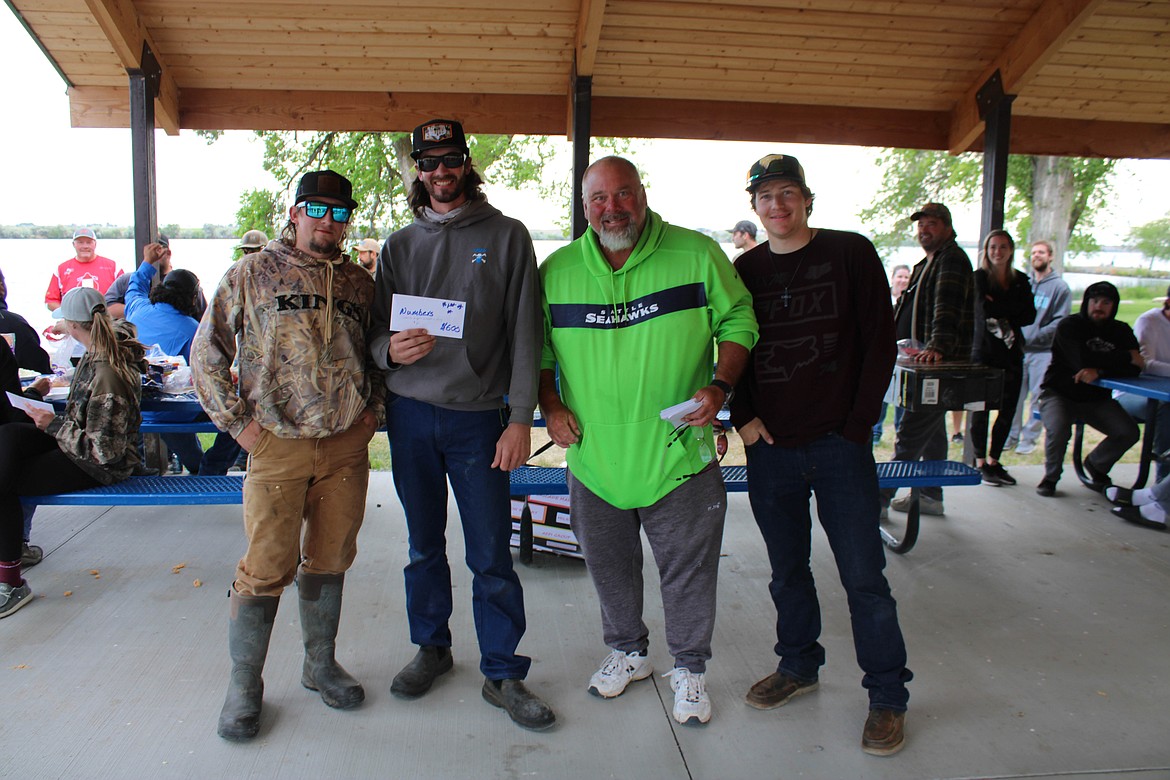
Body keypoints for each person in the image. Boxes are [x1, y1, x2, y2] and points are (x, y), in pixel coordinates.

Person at [539, 155, 758, 726]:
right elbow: (538, 353)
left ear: (642, 194)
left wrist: (719, 385)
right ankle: (628, 652)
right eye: (598, 199)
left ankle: (690, 669)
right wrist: (551, 405)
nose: (612, 207)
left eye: (623, 194)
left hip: (677, 454)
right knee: (609, 567)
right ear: (585, 206)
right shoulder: (557, 270)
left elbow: (738, 320)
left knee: (687, 570)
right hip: (596, 458)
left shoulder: (696, 252)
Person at [368, 119, 555, 732]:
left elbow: (527, 334)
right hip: (411, 415)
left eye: (450, 160)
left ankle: (502, 672)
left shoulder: (506, 236)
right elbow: (371, 335)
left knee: (490, 554)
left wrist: (521, 418)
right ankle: (433, 648)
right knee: (423, 546)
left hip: (480, 419)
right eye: (428, 162)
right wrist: (388, 353)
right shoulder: (397, 246)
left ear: (466, 165)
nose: (439, 171)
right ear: (416, 170)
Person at [729, 152, 910, 756]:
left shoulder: (851, 252)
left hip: (840, 446)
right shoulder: (745, 269)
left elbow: (881, 342)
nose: (776, 205)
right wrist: (743, 417)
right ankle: (798, 666)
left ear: (807, 198)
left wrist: (859, 426)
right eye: (764, 196)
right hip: (771, 448)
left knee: (865, 577)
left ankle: (887, 697)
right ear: (753, 206)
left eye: (786, 193)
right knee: (787, 572)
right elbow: (732, 345)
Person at [192, 169, 383, 740]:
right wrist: (238, 426)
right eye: (317, 209)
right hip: (275, 445)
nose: (329, 221)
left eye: (340, 213)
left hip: (346, 447)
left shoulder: (360, 283)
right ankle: (245, 683)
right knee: (265, 566)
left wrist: (375, 414)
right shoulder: (250, 273)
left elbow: (378, 355)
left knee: (330, 558)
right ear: (295, 212)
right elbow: (206, 352)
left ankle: (319, 664)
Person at [1, 287, 146, 619]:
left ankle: (11, 583)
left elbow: (105, 453)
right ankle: (12, 557)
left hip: (96, 464)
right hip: (76, 443)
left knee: (8, 481)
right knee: (8, 436)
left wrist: (52, 424)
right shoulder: (96, 351)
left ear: (72, 323)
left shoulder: (106, 372)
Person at [881, 203, 974, 518]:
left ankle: (879, 500)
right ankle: (932, 496)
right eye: (921, 225)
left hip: (938, 365)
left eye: (931, 224)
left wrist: (938, 346)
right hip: (919, 362)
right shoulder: (925, 263)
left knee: (911, 430)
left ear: (947, 227)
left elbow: (946, 306)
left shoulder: (952, 260)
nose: (924, 230)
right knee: (932, 431)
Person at [1036, 281, 1142, 497]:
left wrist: (1100, 371)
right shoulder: (1069, 326)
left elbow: (1136, 367)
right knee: (1059, 429)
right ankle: (1051, 477)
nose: (1099, 306)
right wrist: (1123, 357)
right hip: (1059, 393)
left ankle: (1096, 464)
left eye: (1105, 302)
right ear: (1086, 303)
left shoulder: (1121, 330)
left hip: (1097, 399)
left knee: (1128, 431)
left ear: (1114, 306)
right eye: (1094, 301)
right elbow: (1080, 361)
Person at [125, 240, 206, 474]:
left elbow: (135, 287)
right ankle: (206, 470)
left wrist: (147, 263)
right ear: (193, 298)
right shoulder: (193, 329)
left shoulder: (138, 310)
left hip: (137, 405)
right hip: (172, 410)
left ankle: (198, 467)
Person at [969, 230, 1035, 487]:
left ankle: (995, 461)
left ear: (1011, 250)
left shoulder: (1021, 280)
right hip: (983, 352)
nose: (998, 251)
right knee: (981, 409)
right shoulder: (979, 278)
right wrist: (1009, 308)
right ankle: (980, 461)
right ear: (986, 250)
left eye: (1003, 247)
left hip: (1012, 352)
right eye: (993, 247)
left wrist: (1001, 307)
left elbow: (1029, 315)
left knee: (1009, 407)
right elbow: (982, 311)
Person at [0, 266, 53, 567]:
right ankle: (18, 542)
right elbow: (10, 411)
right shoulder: (12, 326)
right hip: (5, 440)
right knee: (21, 450)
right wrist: (34, 394)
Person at [1009, 240, 1072, 454]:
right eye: (1034, 252)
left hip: (1043, 352)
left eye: (1042, 252)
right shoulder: (1025, 284)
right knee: (1015, 395)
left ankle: (1029, 439)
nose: (1037, 256)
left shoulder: (1059, 287)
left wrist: (1035, 337)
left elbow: (1059, 322)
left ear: (1050, 256)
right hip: (1019, 350)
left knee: (1038, 396)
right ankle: (1011, 436)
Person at [1114, 285, 1170, 482]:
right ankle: (1163, 479)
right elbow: (1144, 364)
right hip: (1131, 393)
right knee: (1166, 408)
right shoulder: (1150, 321)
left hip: (1164, 391)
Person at [873, 264, 911, 444]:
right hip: (882, 355)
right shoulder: (881, 297)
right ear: (893, 278)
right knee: (881, 395)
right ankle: (875, 432)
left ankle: (900, 431)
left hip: (904, 357)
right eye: (900, 276)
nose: (902, 280)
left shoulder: (910, 300)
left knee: (902, 398)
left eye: (906, 277)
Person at [45, 228, 123, 312]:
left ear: (95, 244)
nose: (85, 246)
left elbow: (129, 296)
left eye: (89, 242)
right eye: (80, 242)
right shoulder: (61, 269)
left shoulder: (113, 266)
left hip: (106, 320)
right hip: (73, 322)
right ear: (73, 244)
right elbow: (50, 301)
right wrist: (67, 313)